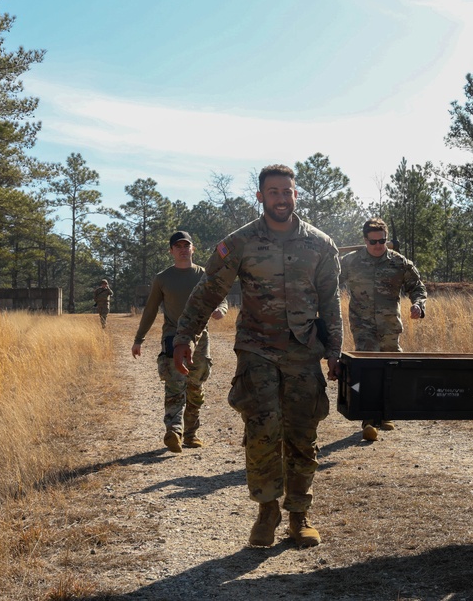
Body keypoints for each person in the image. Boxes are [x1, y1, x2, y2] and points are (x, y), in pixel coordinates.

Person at [173, 164, 342, 549]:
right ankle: (267, 509)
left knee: (303, 433)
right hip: (257, 350)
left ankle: (299, 515)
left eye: (288, 191)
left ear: (296, 195)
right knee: (262, 432)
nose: (281, 198)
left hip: (303, 352)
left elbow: (330, 302)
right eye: (274, 192)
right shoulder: (240, 242)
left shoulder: (320, 245)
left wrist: (334, 351)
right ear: (260, 196)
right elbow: (208, 291)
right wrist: (185, 335)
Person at [132, 231, 228, 453]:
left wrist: (220, 310)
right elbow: (150, 310)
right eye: (178, 246)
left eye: (187, 246)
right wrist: (139, 339)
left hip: (200, 338)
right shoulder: (163, 278)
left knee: (195, 386)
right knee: (175, 385)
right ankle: (173, 431)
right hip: (172, 338)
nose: (183, 249)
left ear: (193, 249)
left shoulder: (205, 275)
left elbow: (221, 298)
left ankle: (191, 433)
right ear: (171, 251)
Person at [339, 217, 427, 441]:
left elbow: (417, 286)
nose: (378, 246)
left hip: (389, 325)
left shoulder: (399, 263)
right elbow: (328, 282)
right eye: (373, 241)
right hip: (363, 325)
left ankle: (386, 413)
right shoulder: (349, 262)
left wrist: (418, 304)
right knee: (367, 367)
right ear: (365, 240)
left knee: (391, 368)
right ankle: (369, 418)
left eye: (382, 241)